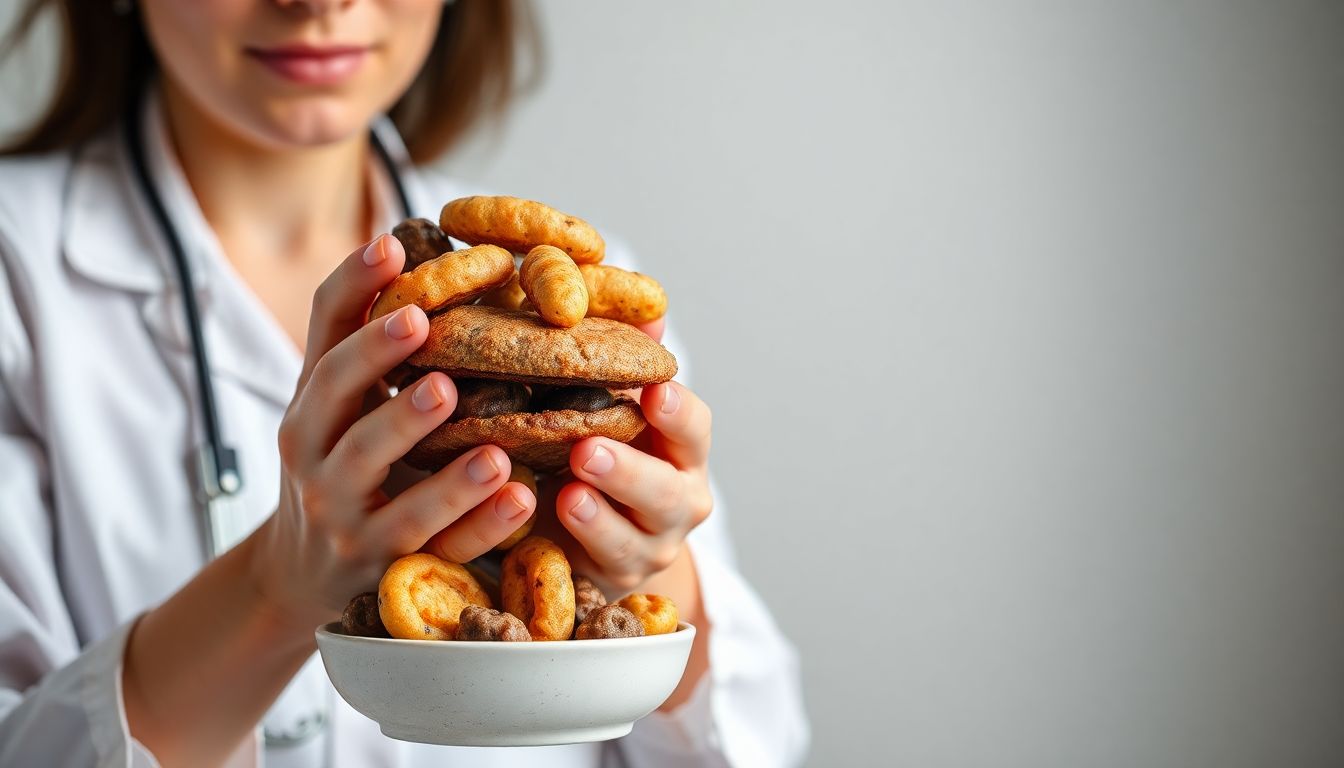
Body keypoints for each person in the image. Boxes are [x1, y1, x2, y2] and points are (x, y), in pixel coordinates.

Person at [0, 1, 807, 766]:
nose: (319, 3)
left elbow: (758, 745)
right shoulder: (18, 279)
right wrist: (274, 589)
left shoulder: (579, 324)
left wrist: (642, 563)